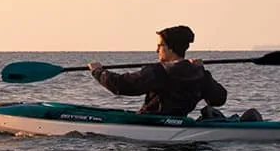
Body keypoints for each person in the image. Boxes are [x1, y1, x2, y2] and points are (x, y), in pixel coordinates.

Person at [88, 25, 228, 116]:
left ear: (170, 48)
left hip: (153, 124)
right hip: (179, 124)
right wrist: (200, 69)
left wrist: (98, 72)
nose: (157, 50)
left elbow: (122, 85)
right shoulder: (199, 73)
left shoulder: (159, 71)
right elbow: (219, 98)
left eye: (160, 46)